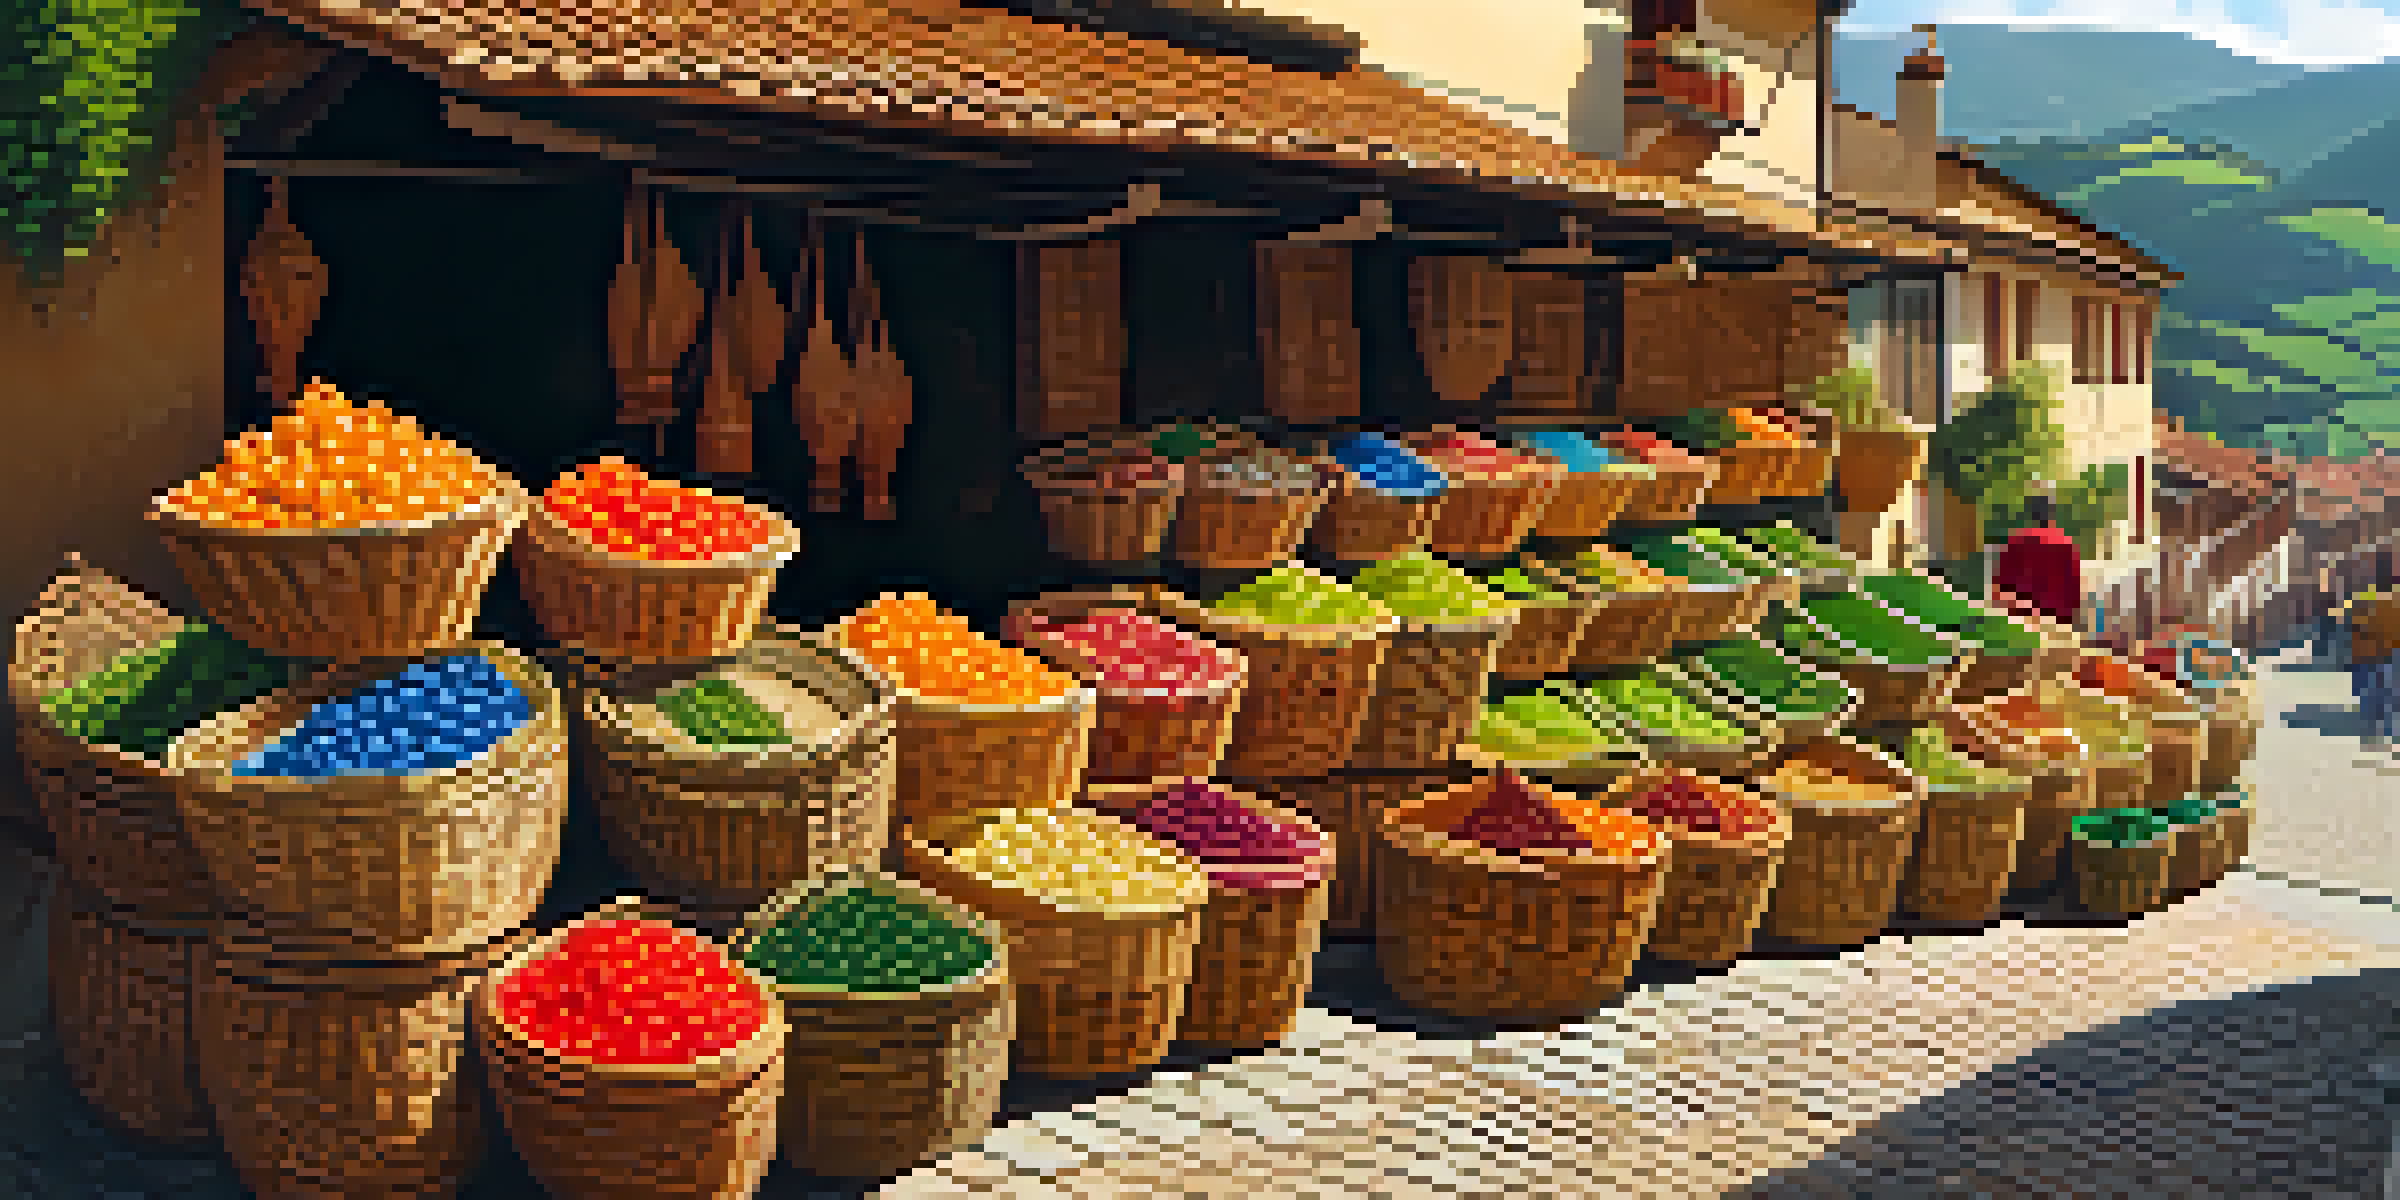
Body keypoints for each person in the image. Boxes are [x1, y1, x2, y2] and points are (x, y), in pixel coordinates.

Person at [1990, 492, 2084, 629]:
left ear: (2031, 515)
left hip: (2020, 619)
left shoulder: (2016, 541)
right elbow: (2073, 590)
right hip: (2055, 621)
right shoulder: (2066, 544)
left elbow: (2001, 585)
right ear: (2052, 515)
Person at [2350, 586, 2400, 751]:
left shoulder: (2367, 602)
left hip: (2376, 655)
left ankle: (2379, 732)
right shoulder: (2371, 602)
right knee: (2381, 694)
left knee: (2376, 695)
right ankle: (2383, 732)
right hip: (2377, 655)